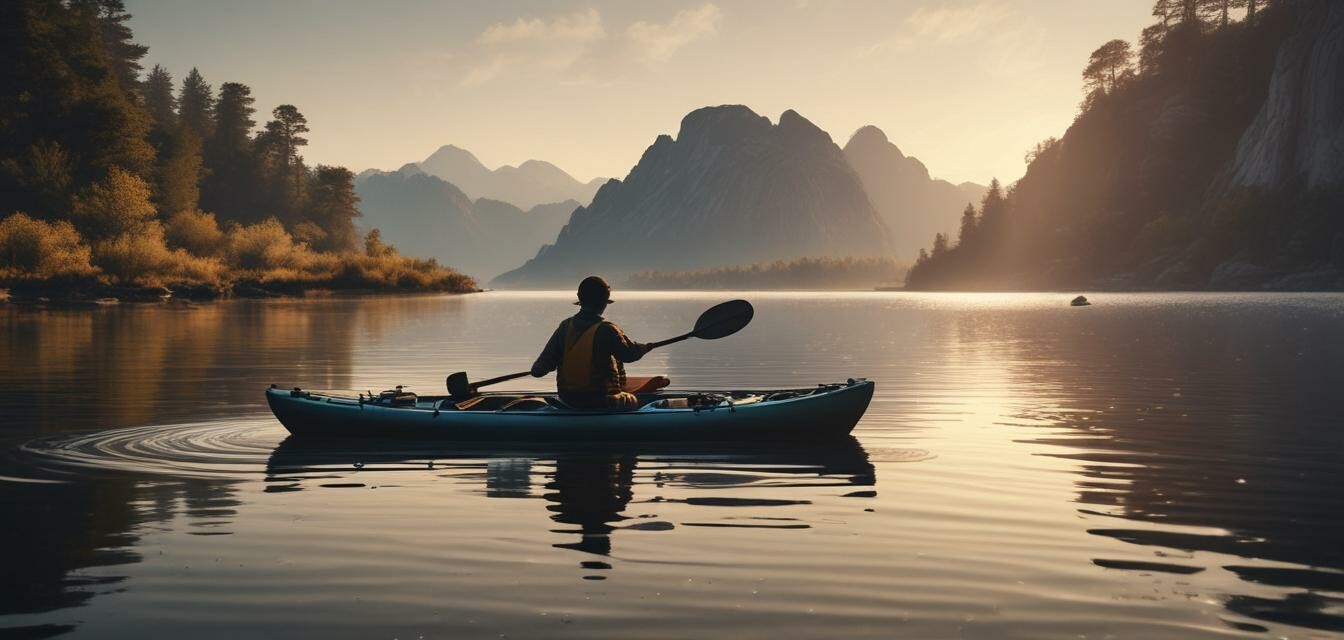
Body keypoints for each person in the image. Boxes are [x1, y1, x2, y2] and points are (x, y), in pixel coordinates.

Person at [531, 276, 651, 410]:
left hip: (567, 400)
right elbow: (629, 354)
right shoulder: (608, 329)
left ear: (580, 299)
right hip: (602, 401)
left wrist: (543, 368)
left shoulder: (564, 327)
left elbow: (537, 371)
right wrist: (642, 348)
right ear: (604, 302)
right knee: (633, 400)